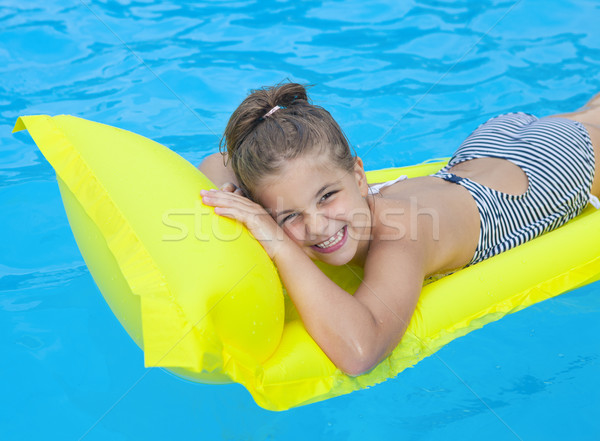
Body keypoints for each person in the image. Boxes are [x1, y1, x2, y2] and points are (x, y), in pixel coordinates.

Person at [199, 83, 600, 376]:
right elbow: (216, 162)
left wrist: (277, 242)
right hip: (484, 150)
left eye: (326, 196)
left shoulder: (401, 231)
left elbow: (361, 351)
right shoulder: (324, 185)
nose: (317, 226)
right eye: (288, 216)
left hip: (557, 165)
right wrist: (235, 195)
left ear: (359, 177)